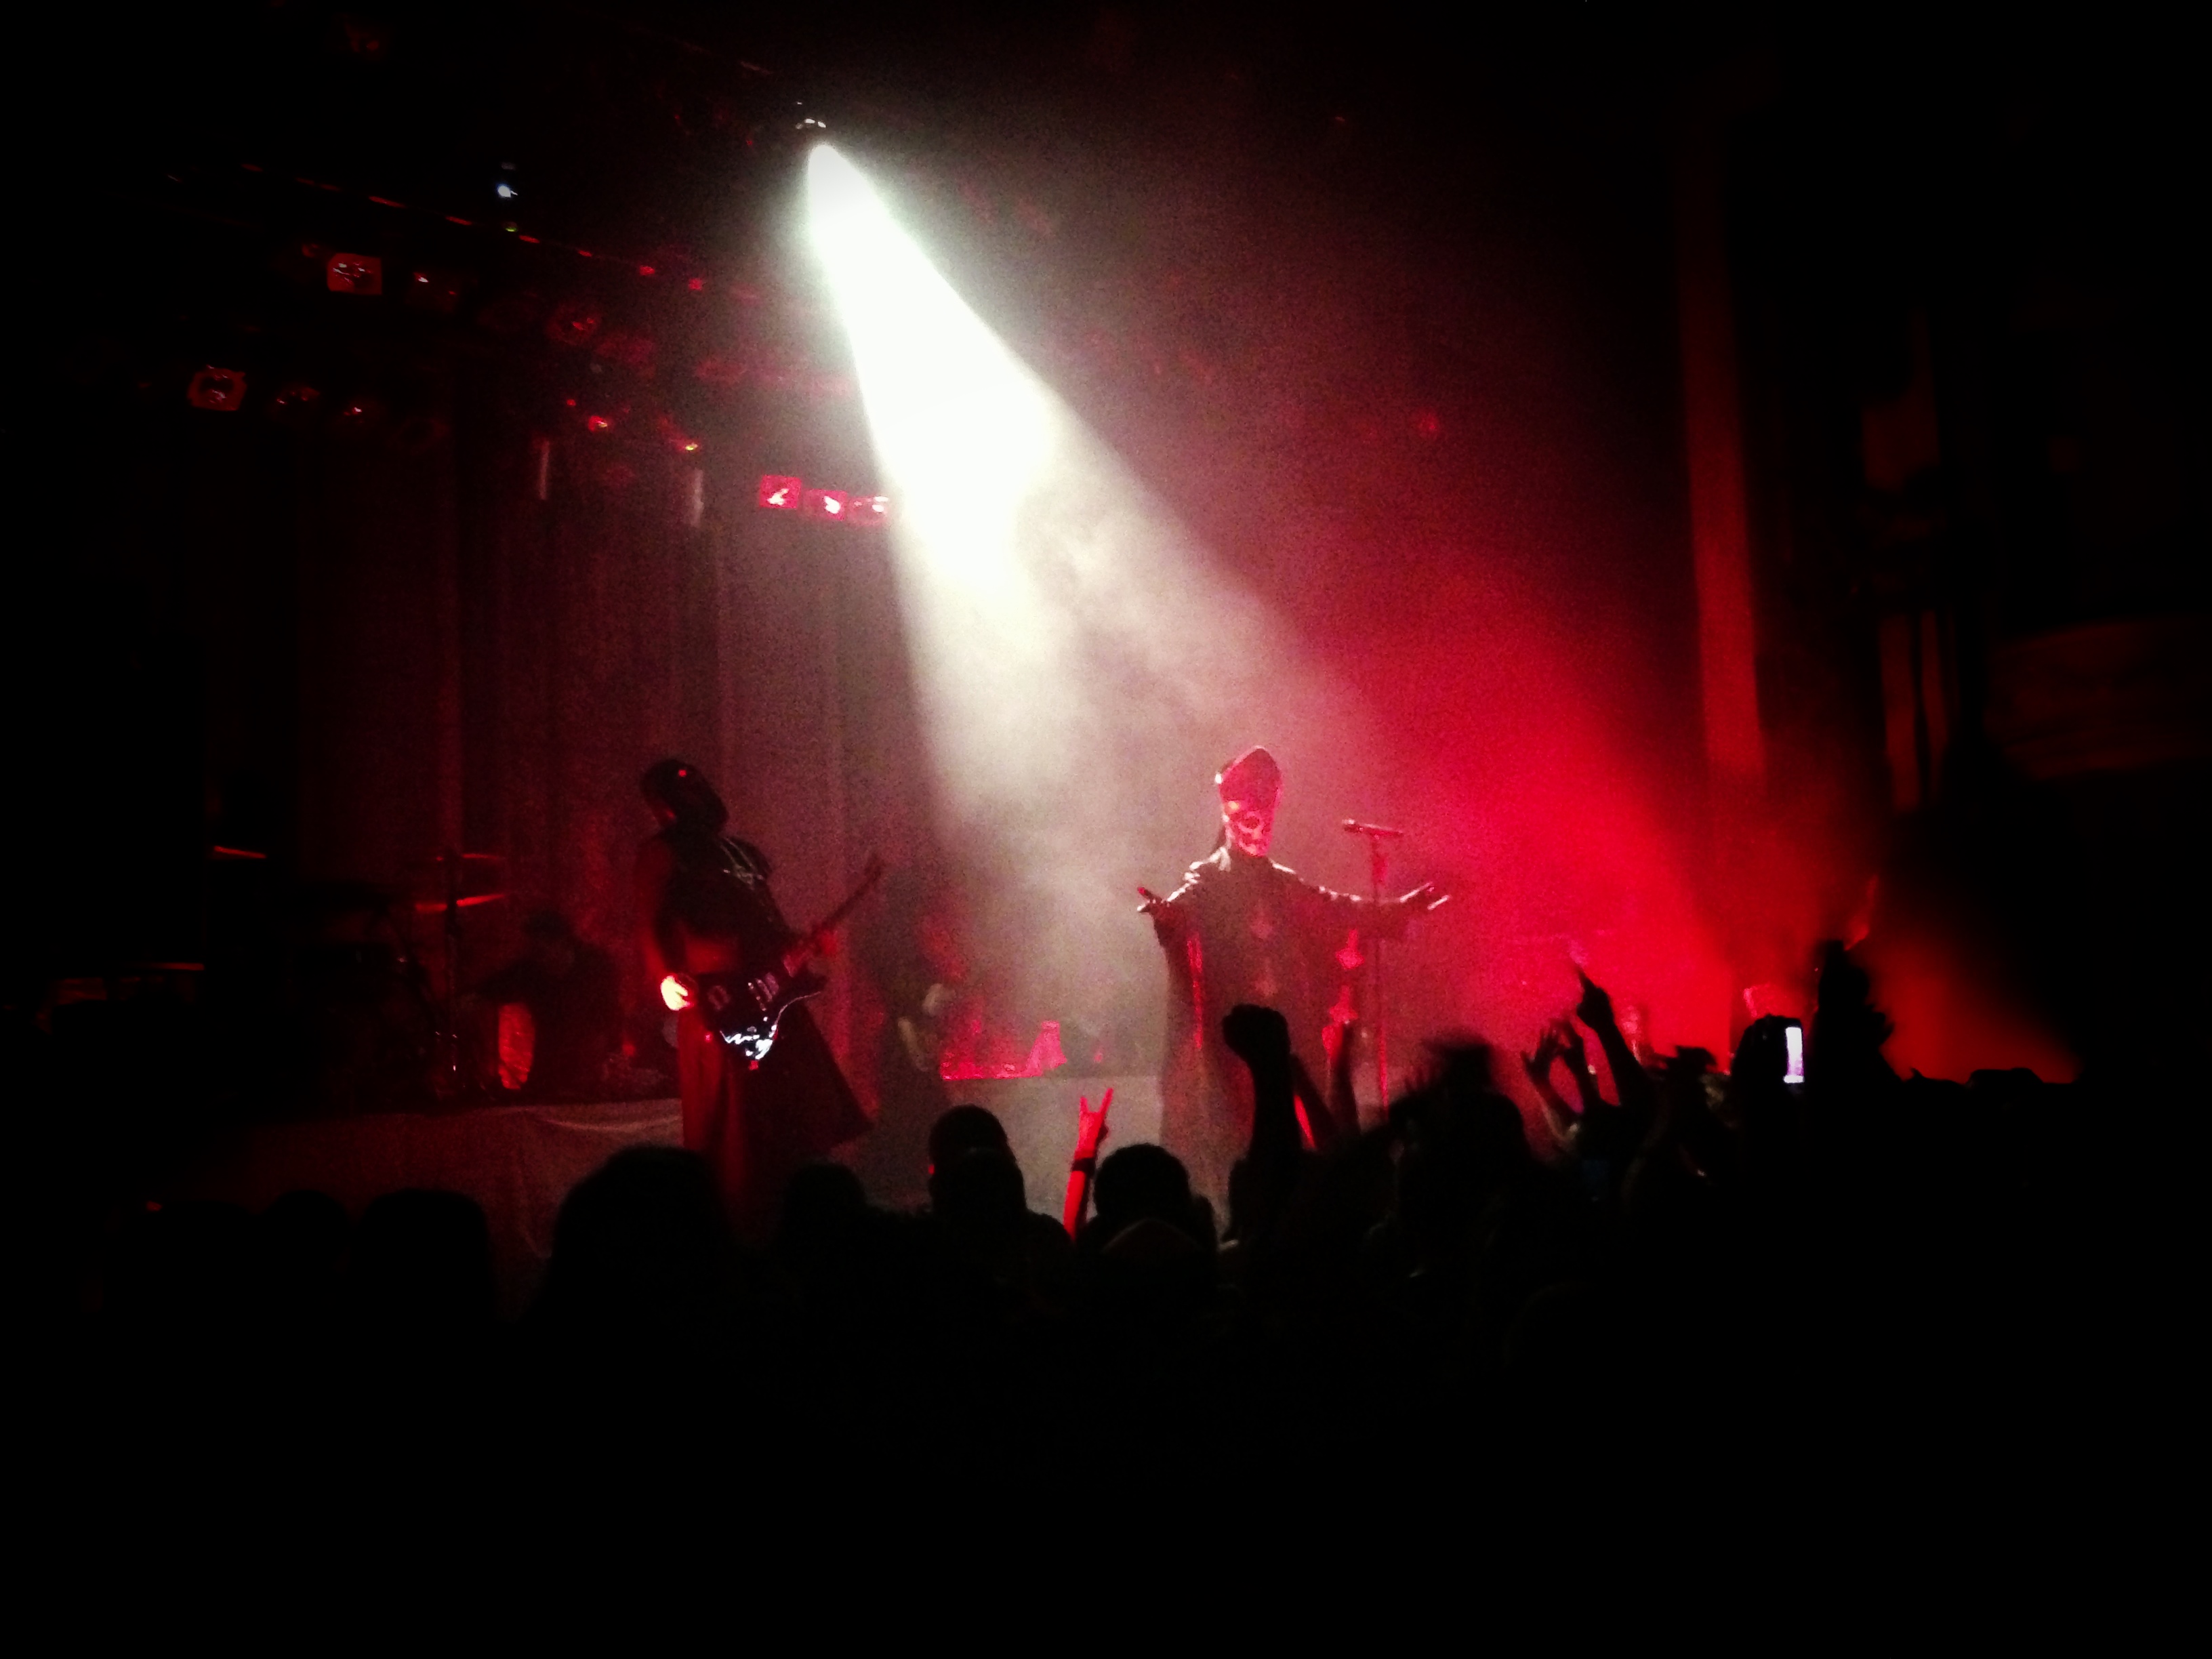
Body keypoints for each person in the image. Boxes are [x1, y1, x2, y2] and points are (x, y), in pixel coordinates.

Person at [1141, 745, 1441, 1208]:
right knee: (1238, 1137)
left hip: (1286, 1033)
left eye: (1267, 822)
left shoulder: (1281, 882)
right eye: (1250, 822)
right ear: (1229, 820)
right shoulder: (1210, 878)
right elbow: (1186, 903)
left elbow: (1337, 908)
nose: (1261, 831)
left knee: (1299, 1129)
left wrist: (1397, 910)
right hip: (1234, 1041)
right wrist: (1170, 917)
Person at [634, 759, 869, 1240]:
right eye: (681, 787)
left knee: (800, 1106)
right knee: (737, 1127)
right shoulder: (663, 852)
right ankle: (738, 1226)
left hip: (771, 993)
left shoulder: (739, 853)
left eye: (696, 783)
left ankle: (802, 1218)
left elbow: (765, 918)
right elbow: (648, 921)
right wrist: (663, 978)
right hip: (720, 998)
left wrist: (804, 942)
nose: (694, 792)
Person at [474, 909, 620, 1098]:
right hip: (548, 1072)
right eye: (533, 951)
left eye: (541, 950)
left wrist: (608, 1058)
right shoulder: (531, 971)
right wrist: (471, 998)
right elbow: (494, 987)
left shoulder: (596, 969)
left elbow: (610, 1017)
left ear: (563, 942)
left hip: (591, 1070)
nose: (537, 958)